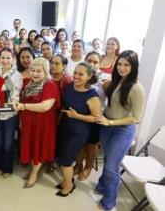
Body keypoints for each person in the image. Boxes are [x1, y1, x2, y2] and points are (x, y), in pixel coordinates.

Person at [95, 50, 145, 210]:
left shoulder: (137, 88)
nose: (122, 68)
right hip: (106, 125)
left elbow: (136, 118)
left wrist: (110, 122)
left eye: (127, 65)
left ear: (134, 66)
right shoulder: (115, 80)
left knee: (111, 166)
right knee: (109, 159)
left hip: (121, 130)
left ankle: (109, 200)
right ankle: (102, 184)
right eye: (120, 64)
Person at [13, 57, 61, 189]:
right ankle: (32, 170)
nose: (34, 73)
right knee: (31, 146)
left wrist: (23, 106)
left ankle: (34, 173)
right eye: (32, 70)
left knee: (38, 148)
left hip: (42, 124)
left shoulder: (50, 85)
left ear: (46, 71)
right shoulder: (28, 82)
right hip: (29, 122)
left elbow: (45, 106)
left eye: (39, 71)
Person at [56, 62, 101, 197]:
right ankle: (66, 181)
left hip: (79, 133)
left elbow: (96, 118)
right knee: (62, 156)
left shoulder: (92, 96)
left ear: (89, 76)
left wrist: (77, 116)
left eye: (81, 74)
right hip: (65, 127)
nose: (76, 76)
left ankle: (69, 186)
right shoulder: (70, 87)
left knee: (66, 160)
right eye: (75, 73)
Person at [73, 51, 110, 180]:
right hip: (80, 113)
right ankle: (78, 165)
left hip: (95, 116)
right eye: (89, 60)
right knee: (80, 143)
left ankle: (88, 167)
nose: (92, 64)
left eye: (95, 62)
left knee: (91, 144)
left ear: (100, 63)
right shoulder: (81, 74)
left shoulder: (105, 78)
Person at [0, 48, 23, 178]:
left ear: (13, 59)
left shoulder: (17, 75)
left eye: (8, 58)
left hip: (10, 115)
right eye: (3, 57)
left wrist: (9, 103)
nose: (5, 60)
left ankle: (7, 168)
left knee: (8, 143)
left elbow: (15, 93)